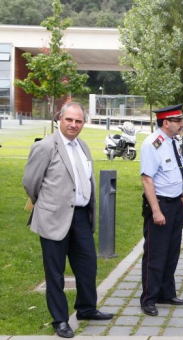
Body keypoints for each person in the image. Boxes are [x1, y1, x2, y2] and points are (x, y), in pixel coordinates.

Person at [23, 102, 114, 338]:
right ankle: (60, 320)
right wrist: (47, 205)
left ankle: (86, 308)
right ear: (59, 119)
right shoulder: (45, 147)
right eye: (69, 120)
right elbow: (30, 183)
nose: (74, 125)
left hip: (81, 216)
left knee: (87, 266)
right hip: (54, 218)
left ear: (84, 123)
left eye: (79, 121)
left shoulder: (82, 145)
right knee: (55, 272)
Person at [139, 104, 183, 317]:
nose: (182, 124)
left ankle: (166, 292)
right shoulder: (153, 143)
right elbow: (147, 178)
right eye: (177, 120)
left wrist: (181, 195)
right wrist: (156, 210)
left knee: (171, 252)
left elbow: (174, 171)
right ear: (165, 122)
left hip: (175, 204)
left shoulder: (172, 141)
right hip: (161, 204)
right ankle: (149, 298)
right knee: (155, 254)